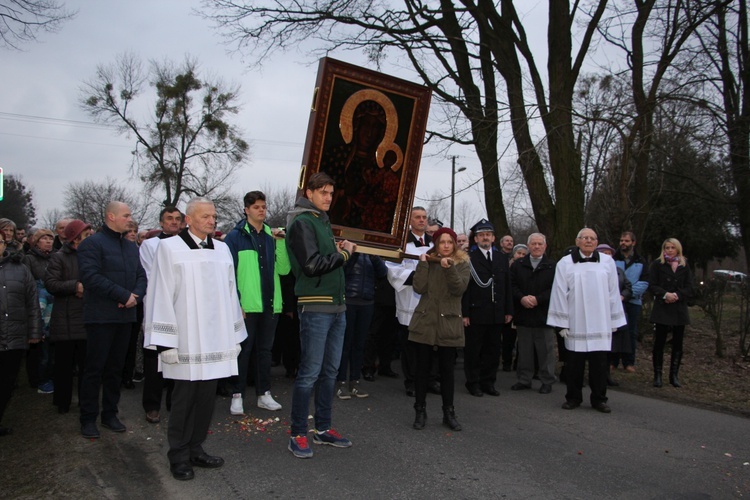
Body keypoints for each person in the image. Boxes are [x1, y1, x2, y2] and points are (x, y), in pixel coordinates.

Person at [144, 197, 247, 481]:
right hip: (185, 339)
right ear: (188, 219)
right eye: (205, 217)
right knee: (183, 400)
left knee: (206, 399)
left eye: (213, 216)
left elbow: (230, 293)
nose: (212, 221)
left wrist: (235, 334)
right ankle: (178, 455)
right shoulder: (169, 248)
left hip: (216, 339)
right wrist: (165, 342)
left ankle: (196, 448)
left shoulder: (223, 249)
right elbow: (160, 293)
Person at [285, 172, 357, 459]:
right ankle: (298, 434)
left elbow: (324, 260)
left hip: (337, 306)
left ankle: (324, 428)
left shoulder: (321, 221)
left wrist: (338, 252)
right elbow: (312, 265)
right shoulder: (303, 221)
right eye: (323, 192)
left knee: (330, 372)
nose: (328, 197)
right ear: (309, 193)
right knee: (309, 374)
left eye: (331, 192)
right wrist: (345, 255)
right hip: (315, 307)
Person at [77, 201, 147, 439]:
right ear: (111, 216)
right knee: (94, 369)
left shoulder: (130, 247)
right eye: (126, 215)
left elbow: (141, 275)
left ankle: (110, 414)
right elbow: (91, 277)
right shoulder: (92, 244)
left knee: (115, 369)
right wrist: (122, 295)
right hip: (100, 317)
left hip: (125, 316)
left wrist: (134, 297)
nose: (130, 219)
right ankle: (88, 418)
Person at [224, 190, 290, 414]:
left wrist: (280, 243)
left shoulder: (272, 235)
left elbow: (284, 269)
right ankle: (237, 394)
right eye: (256, 207)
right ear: (246, 209)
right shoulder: (235, 237)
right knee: (243, 351)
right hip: (247, 305)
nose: (261, 210)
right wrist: (237, 303)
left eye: (263, 206)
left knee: (265, 351)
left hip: (270, 303)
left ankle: (264, 394)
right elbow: (229, 273)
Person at [547, 228, 626, 413]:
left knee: (599, 364)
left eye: (592, 238)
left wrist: (614, 320)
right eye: (585, 238)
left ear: (597, 242)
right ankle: (573, 397)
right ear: (577, 241)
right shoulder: (565, 263)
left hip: (600, 321)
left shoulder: (607, 262)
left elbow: (613, 292)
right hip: (576, 321)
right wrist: (561, 322)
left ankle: (599, 399)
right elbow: (558, 293)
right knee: (574, 363)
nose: (589, 241)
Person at [409, 227, 470, 431]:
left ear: (454, 244)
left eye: (449, 242)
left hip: (449, 322)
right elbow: (419, 287)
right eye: (442, 242)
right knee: (422, 370)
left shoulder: (462, 264)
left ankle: (448, 412)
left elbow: (458, 288)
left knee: (447, 371)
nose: (445, 246)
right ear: (436, 244)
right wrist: (424, 265)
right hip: (425, 321)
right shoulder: (429, 261)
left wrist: (448, 267)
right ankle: (420, 410)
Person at [44, 220, 93, 414]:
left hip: (87, 318)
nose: (90, 238)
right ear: (76, 238)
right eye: (86, 235)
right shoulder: (59, 258)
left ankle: (85, 402)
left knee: (86, 366)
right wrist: (75, 286)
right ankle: (62, 402)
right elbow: (51, 284)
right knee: (64, 366)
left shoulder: (92, 256)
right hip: (65, 320)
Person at [139, 206, 182, 424]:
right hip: (157, 306)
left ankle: (174, 404)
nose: (173, 222)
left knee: (177, 359)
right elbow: (151, 274)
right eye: (169, 218)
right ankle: (152, 405)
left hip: (180, 308)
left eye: (177, 219)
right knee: (155, 360)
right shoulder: (150, 244)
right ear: (161, 222)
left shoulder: (185, 244)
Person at [461, 218, 512, 397]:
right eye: (481, 235)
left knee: (492, 350)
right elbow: (465, 288)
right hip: (476, 312)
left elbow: (507, 285)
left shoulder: (501, 258)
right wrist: (464, 313)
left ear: (493, 238)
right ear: (475, 239)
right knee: (474, 350)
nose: (485, 238)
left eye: (488, 235)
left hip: (496, 312)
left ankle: (488, 382)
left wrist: (508, 310)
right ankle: (473, 382)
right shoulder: (468, 259)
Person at [387, 206, 433, 397]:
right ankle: (411, 381)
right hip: (409, 299)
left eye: (424, 217)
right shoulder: (401, 244)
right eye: (417, 217)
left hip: (430, 301)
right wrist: (419, 277)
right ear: (410, 221)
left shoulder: (435, 244)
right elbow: (391, 268)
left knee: (428, 344)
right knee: (410, 344)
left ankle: (427, 379)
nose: (421, 220)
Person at [0, 236, 42, 436]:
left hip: (14, 336)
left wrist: (34, 332)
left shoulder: (19, 269)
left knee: (6, 383)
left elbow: (32, 302)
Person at [510, 233, 557, 394]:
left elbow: (555, 289)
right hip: (523, 313)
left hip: (544, 314)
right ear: (528, 246)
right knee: (524, 350)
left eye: (540, 244)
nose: (536, 247)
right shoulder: (518, 265)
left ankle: (547, 380)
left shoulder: (552, 266)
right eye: (533, 244)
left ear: (545, 246)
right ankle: (524, 379)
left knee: (545, 351)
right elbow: (512, 285)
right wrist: (522, 298)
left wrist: (538, 299)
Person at [336, 253, 387, 399]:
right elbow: (343, 270)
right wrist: (352, 254)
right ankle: (341, 382)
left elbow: (383, 273)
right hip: (349, 300)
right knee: (345, 343)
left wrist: (375, 257)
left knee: (359, 344)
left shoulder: (372, 253)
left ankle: (355, 381)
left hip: (367, 301)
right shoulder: (349, 251)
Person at [648, 238, 694, 388]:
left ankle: (674, 375)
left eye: (672, 247)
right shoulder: (657, 264)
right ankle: (658, 375)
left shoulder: (684, 265)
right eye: (666, 247)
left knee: (678, 344)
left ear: (678, 249)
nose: (669, 250)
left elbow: (689, 287)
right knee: (659, 343)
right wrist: (665, 294)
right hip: (662, 307)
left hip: (679, 308)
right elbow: (652, 285)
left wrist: (677, 295)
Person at [23, 228, 56, 393]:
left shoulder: (55, 258)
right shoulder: (28, 259)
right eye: (44, 238)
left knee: (51, 349)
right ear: (36, 242)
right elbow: (27, 283)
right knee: (41, 350)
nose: (49, 241)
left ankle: (50, 377)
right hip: (38, 307)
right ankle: (40, 379)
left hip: (54, 305)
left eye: (50, 238)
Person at [596, 243, 632, 387]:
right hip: (599, 312)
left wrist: (622, 296)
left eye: (609, 253)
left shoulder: (618, 271)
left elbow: (627, 286)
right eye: (604, 253)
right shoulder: (594, 270)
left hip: (614, 310)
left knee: (612, 345)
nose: (607, 255)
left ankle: (607, 374)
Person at [613, 231, 649, 373]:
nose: (623, 243)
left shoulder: (641, 261)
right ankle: (613, 361)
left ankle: (629, 362)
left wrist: (627, 294)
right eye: (622, 240)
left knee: (631, 332)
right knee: (615, 331)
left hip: (633, 301)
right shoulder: (613, 259)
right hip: (616, 301)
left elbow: (644, 282)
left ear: (633, 243)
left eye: (627, 241)